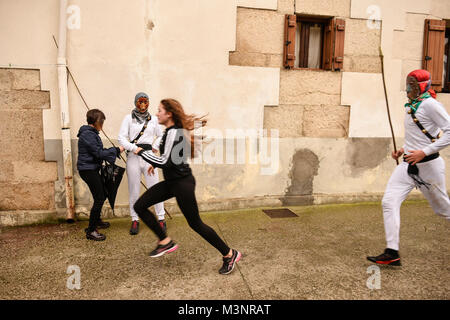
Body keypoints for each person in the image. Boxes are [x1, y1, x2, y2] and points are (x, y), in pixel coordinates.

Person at [133, 98, 242, 275]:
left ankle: (229, 254)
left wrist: (142, 152)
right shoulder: (171, 131)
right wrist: (156, 161)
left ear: (169, 113)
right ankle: (164, 241)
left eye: (159, 110)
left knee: (196, 224)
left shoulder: (174, 132)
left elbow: (166, 161)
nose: (157, 113)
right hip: (172, 182)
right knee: (140, 206)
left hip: (182, 184)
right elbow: (170, 158)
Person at [367, 70, 450, 266]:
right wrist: (403, 150)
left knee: (443, 210)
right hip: (407, 165)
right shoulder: (412, 105)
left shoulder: (430, 105)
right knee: (389, 202)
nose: (407, 88)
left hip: (429, 166)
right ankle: (392, 252)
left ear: (422, 86)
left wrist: (424, 152)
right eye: (407, 83)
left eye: (411, 85)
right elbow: (420, 135)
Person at [118, 92, 166, 235]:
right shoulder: (128, 119)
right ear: (136, 103)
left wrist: (155, 146)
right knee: (134, 189)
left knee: (155, 188)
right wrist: (134, 148)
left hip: (149, 157)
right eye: (140, 102)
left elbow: (162, 135)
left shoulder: (153, 120)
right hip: (133, 157)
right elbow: (121, 138)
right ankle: (135, 219)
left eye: (145, 102)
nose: (143, 105)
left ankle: (161, 218)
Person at [77, 109, 124, 241]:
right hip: (87, 170)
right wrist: (116, 149)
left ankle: (96, 221)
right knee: (100, 197)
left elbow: (99, 151)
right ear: (97, 121)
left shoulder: (91, 133)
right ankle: (91, 230)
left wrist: (113, 151)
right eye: (102, 121)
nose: (102, 124)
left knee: (101, 194)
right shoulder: (88, 134)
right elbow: (99, 153)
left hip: (90, 168)